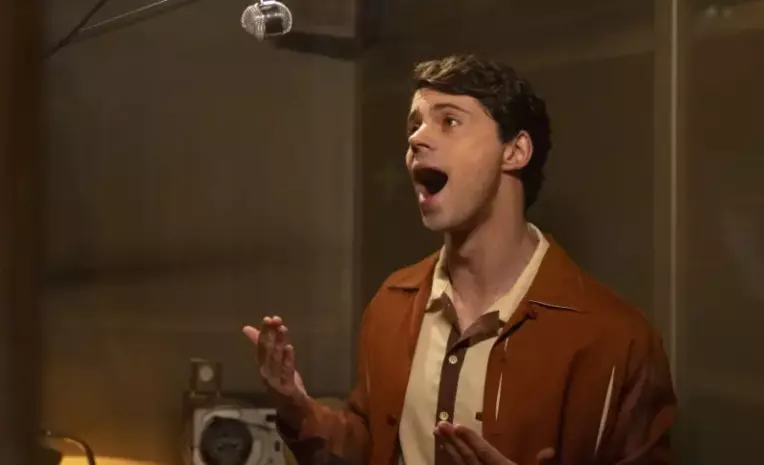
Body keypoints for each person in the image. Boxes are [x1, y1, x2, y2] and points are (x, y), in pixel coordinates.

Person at [243, 54, 676, 465]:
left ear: (515, 151)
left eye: (449, 121)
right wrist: (299, 411)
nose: (416, 138)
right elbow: (370, 445)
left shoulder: (616, 340)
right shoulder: (392, 304)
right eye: (415, 124)